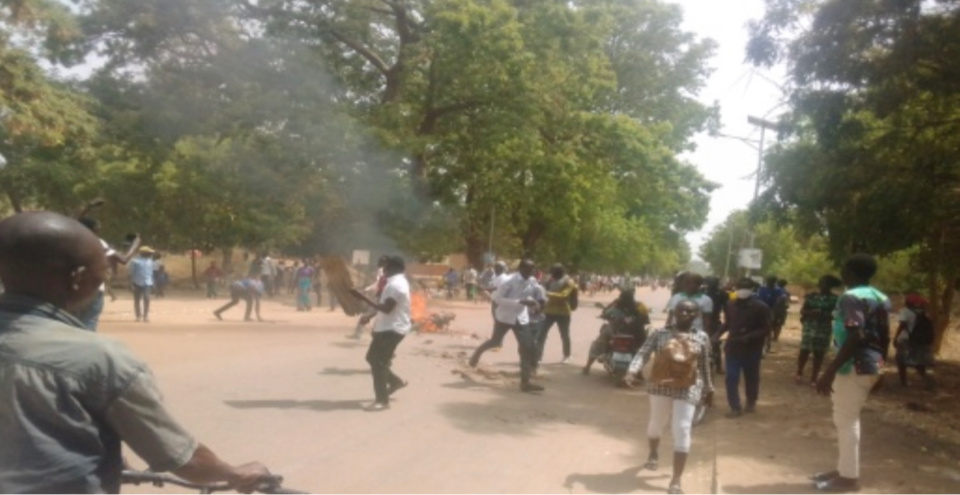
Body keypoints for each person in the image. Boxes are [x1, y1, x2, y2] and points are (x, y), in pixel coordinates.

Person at [0, 212, 270, 493]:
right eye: (103, 273)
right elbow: (185, 461)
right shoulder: (100, 359)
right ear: (78, 279)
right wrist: (236, 473)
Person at [812, 254, 890, 493]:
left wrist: (829, 370)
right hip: (872, 364)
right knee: (846, 418)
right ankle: (843, 469)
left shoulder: (850, 297)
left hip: (853, 366)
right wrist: (882, 368)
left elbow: (855, 335)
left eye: (844, 268)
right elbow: (884, 335)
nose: (841, 273)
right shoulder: (881, 297)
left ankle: (848, 478)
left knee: (846, 420)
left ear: (852, 273)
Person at [623, 300, 714, 495]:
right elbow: (643, 353)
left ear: (696, 315)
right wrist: (632, 371)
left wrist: (709, 389)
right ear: (673, 312)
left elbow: (705, 364)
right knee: (657, 423)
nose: (684, 313)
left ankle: (676, 480)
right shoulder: (659, 333)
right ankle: (653, 452)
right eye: (681, 309)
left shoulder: (702, 337)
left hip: (688, 387)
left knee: (681, 428)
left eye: (690, 311)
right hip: (660, 385)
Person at [468, 259, 544, 393]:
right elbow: (497, 299)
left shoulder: (531, 281)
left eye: (533, 269)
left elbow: (531, 296)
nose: (531, 272)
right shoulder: (509, 281)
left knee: (526, 347)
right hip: (504, 317)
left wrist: (535, 305)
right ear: (520, 268)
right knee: (495, 342)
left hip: (521, 318)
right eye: (528, 269)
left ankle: (525, 382)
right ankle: (477, 354)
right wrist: (520, 301)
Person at [349, 256, 411, 411]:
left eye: (386, 266)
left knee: (379, 362)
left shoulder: (395, 285)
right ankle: (395, 382)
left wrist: (362, 298)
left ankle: (382, 401)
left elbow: (387, 308)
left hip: (392, 329)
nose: (384, 269)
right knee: (372, 358)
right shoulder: (393, 283)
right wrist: (370, 315)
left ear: (393, 268)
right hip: (387, 327)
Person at [716, 277, 771, 418]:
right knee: (731, 377)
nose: (742, 290)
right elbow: (727, 323)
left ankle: (751, 401)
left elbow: (765, 329)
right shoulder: (730, 304)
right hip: (733, 348)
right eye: (740, 286)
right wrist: (716, 335)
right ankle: (735, 407)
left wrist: (749, 337)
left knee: (751, 377)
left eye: (746, 287)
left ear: (752, 290)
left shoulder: (761, 307)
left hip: (752, 349)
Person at [77, 217, 140, 330]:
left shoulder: (72, 240)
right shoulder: (98, 242)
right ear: (93, 229)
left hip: (73, 288)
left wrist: (87, 207)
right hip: (94, 287)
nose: (100, 228)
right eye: (98, 226)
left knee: (73, 323)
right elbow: (124, 259)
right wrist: (135, 244)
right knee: (89, 323)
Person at [582, 287, 650, 375]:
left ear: (621, 296)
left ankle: (587, 367)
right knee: (642, 349)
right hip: (636, 334)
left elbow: (607, 313)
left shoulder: (617, 304)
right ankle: (640, 373)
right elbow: (646, 320)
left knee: (598, 344)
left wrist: (605, 315)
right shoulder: (640, 305)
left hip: (615, 332)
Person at [797, 275, 842, 385]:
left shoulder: (835, 299)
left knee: (819, 353)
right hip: (809, 326)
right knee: (804, 350)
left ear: (830, 286)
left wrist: (823, 314)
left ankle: (814, 377)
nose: (822, 285)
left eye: (825, 283)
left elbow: (836, 314)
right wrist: (811, 313)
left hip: (823, 328)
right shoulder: (812, 296)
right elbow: (803, 311)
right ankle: (799, 373)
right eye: (821, 282)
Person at [536, 264, 579, 364]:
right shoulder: (550, 280)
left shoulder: (569, 282)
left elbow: (563, 295)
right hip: (549, 311)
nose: (552, 274)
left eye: (553, 272)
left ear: (560, 272)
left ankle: (567, 355)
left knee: (564, 335)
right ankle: (538, 357)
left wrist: (546, 293)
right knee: (541, 334)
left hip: (563, 312)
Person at [894, 294, 936, 389]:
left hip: (905, 339)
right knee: (919, 362)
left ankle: (903, 382)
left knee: (901, 361)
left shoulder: (905, 311)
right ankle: (927, 380)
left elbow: (902, 326)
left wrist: (895, 338)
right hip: (918, 340)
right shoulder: (924, 313)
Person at [351, 256, 388, 340]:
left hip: (380, 297)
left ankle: (359, 334)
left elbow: (378, 283)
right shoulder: (390, 273)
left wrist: (366, 289)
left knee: (367, 315)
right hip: (384, 297)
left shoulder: (381, 270)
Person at [704, 276, 729, 374]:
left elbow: (726, 308)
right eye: (710, 283)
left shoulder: (722, 294)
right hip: (704, 320)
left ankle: (718, 366)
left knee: (715, 344)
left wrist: (727, 321)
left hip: (715, 321)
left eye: (713, 283)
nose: (712, 285)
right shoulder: (703, 293)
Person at [757, 275, 787, 353]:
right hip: (760, 310)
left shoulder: (778, 290)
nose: (770, 283)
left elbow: (782, 299)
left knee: (768, 327)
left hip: (771, 310)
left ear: (774, 282)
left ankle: (767, 344)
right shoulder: (762, 289)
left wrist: (776, 307)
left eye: (771, 282)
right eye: (769, 281)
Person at [129, 246, 156, 323]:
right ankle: (138, 316)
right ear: (143, 253)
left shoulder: (150, 261)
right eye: (149, 253)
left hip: (147, 282)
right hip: (137, 282)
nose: (151, 254)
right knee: (137, 300)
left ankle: (146, 316)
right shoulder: (134, 261)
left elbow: (151, 273)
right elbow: (131, 273)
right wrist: (130, 284)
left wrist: (153, 284)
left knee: (147, 298)